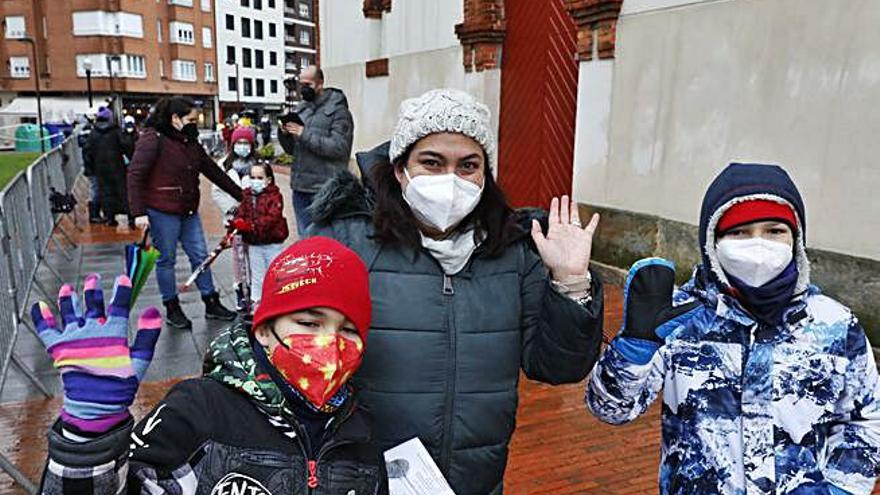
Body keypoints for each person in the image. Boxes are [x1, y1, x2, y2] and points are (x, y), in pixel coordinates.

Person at [307, 88, 605, 494]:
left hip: (477, 479)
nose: (451, 179)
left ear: (485, 174)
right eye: (432, 162)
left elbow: (557, 366)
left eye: (468, 165)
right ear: (400, 169)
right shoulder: (347, 241)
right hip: (367, 478)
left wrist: (570, 283)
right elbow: (284, 351)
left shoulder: (514, 250)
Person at [587, 163, 880, 495]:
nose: (758, 246)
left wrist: (842, 487)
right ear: (713, 241)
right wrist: (634, 349)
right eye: (739, 232)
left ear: (796, 239)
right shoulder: (679, 319)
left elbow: (868, 419)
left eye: (774, 231)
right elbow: (611, 409)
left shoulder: (835, 326)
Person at [36, 237, 389, 494]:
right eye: (309, 324)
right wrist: (88, 438)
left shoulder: (362, 431)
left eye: (348, 330)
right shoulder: (198, 409)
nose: (330, 342)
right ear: (264, 331)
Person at [128, 96, 241, 330]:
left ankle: (211, 301)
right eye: (190, 119)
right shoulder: (153, 139)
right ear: (175, 118)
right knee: (166, 260)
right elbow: (135, 175)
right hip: (161, 211)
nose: (195, 124)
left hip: (188, 210)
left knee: (201, 256)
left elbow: (211, 170)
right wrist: (139, 212)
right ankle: (172, 306)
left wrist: (242, 195)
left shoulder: (189, 141)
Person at [279, 65, 354, 236]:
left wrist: (303, 134)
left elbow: (339, 148)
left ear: (320, 84)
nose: (303, 89)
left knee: (324, 240)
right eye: (301, 84)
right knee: (304, 239)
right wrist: (285, 134)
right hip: (300, 187)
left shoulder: (338, 111)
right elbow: (292, 150)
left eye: (308, 85)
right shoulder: (302, 109)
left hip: (323, 188)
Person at [233, 162, 289, 305]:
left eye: (259, 177)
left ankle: (279, 302)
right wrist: (237, 223)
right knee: (257, 276)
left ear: (268, 180)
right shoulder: (247, 196)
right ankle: (256, 303)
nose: (255, 181)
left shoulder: (275, 196)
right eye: (252, 177)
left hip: (272, 243)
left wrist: (251, 226)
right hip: (254, 243)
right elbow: (242, 213)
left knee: (276, 275)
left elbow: (272, 218)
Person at [83, 107, 131, 227]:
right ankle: (130, 216)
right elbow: (126, 145)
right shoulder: (116, 131)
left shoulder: (93, 133)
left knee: (106, 193)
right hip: (116, 165)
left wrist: (90, 168)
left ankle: (110, 217)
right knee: (122, 191)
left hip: (100, 168)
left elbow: (87, 151)